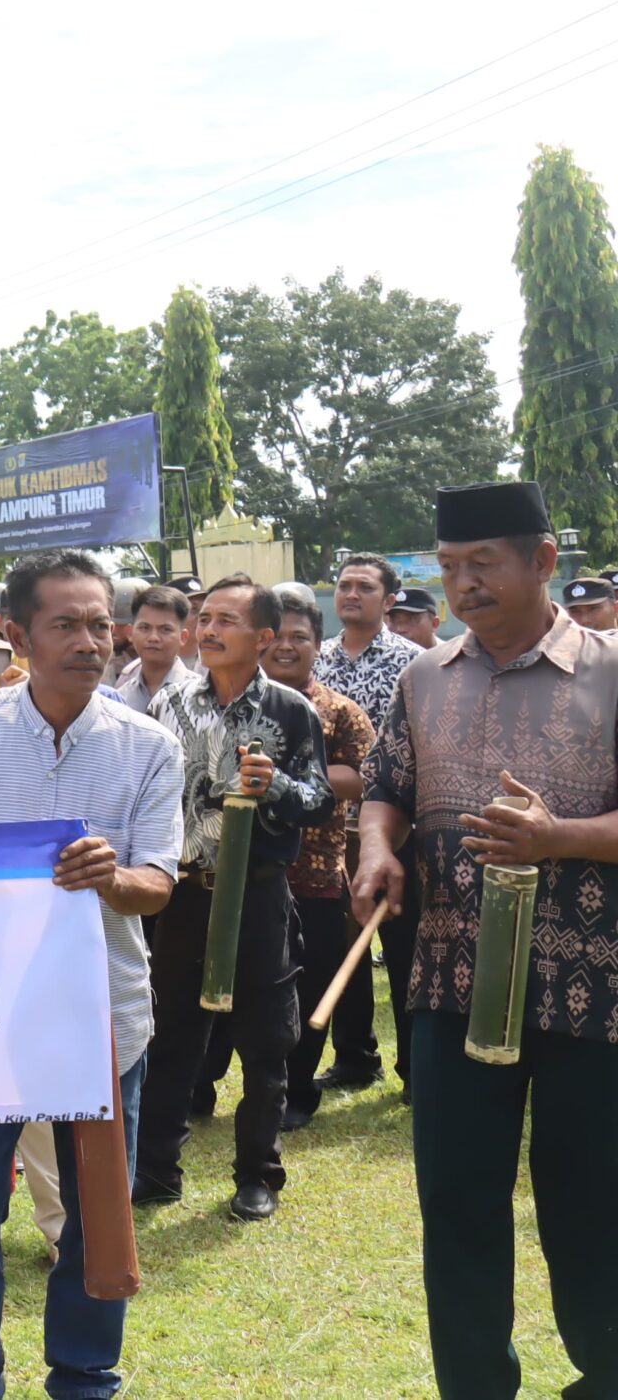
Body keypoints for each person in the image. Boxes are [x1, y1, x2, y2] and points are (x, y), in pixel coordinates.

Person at [353, 481, 618, 1400]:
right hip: (449, 980)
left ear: (543, 561)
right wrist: (377, 851)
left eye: (483, 564)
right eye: (449, 567)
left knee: (593, 1204)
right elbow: (384, 789)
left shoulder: (614, 670)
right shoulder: (424, 677)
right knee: (457, 1202)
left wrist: (560, 837)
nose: (463, 584)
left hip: (594, 990)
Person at [0, 549, 182, 1400]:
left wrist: (111, 878)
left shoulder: (148, 745)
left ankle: (85, 1377)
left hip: (101, 1018)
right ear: (16, 634)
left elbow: (158, 884)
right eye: (66, 625)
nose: (90, 642)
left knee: (99, 1213)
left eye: (100, 624)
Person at [137, 576, 332, 1220]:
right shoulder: (167, 704)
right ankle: (156, 1169)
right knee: (169, 1035)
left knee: (265, 1040)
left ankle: (257, 1175)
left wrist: (277, 786)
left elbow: (320, 800)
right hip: (184, 895)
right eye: (205, 618)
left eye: (226, 620)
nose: (209, 630)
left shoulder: (291, 710)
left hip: (258, 894)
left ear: (264, 637)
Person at [262, 595, 375, 1131]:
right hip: (243, 873)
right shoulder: (238, 703)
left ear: (317, 645)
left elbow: (365, 776)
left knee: (310, 988)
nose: (286, 646)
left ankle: (297, 1092)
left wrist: (288, 778)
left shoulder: (339, 711)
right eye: (277, 636)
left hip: (316, 875)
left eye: (299, 638)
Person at [315, 551, 422, 1096]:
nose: (351, 594)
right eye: (344, 585)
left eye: (364, 587)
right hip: (333, 830)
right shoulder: (317, 660)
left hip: (397, 827)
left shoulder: (416, 663)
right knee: (343, 946)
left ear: (390, 599)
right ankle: (356, 1057)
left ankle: (415, 1068)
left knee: (403, 947)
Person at [108, 583, 196, 714]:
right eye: (145, 628)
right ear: (130, 633)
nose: (153, 637)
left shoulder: (201, 696)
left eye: (165, 629)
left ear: (183, 637)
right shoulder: (120, 698)